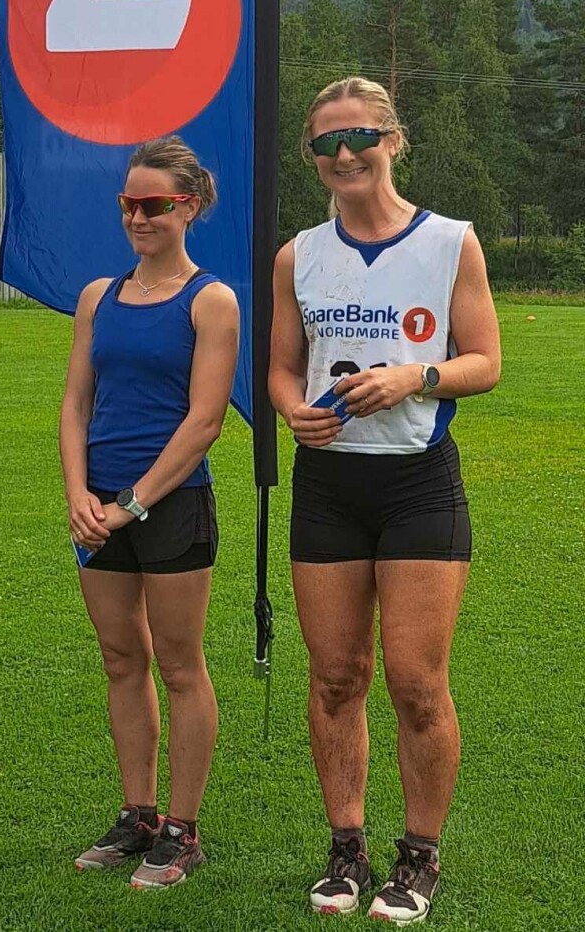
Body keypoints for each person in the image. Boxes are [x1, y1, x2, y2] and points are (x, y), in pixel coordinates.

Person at [270, 77, 501, 923]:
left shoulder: (450, 242)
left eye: (358, 136)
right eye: (324, 144)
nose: (342, 155)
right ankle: (345, 848)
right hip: (329, 486)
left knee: (414, 681)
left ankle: (419, 856)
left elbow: (484, 360)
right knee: (335, 676)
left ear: (392, 140)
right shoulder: (300, 252)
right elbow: (280, 366)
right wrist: (292, 408)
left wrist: (416, 375)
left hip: (417, 482)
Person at [59, 136, 239, 889]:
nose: (139, 217)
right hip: (98, 508)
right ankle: (138, 815)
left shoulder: (212, 300)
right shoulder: (100, 296)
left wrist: (133, 504)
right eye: (129, 204)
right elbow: (76, 401)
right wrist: (78, 494)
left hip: (168, 507)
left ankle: (184, 831)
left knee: (177, 664)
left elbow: (205, 421)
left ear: (188, 206)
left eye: (155, 205)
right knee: (119, 659)